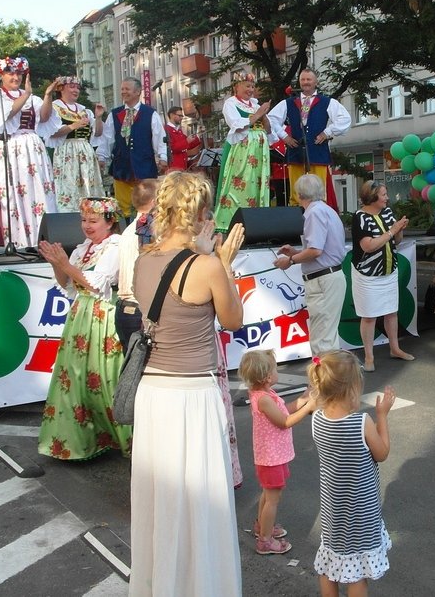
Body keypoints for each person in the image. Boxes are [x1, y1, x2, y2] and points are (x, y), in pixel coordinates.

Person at [128, 171, 246, 596]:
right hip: (192, 395)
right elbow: (233, 320)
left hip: (153, 394)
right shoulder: (208, 265)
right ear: (199, 213)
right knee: (202, 506)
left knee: (160, 505)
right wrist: (224, 263)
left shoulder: (143, 260)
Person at [36, 197, 131, 461]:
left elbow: (95, 284)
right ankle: (80, 442)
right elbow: (69, 286)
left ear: (110, 222)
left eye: (93, 221)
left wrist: (65, 264)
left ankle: (121, 437)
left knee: (104, 377)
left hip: (104, 314)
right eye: (83, 220)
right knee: (75, 379)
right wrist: (58, 264)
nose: (87, 226)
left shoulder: (116, 245)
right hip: (81, 314)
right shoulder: (85, 247)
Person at [308, 350, 395, 597]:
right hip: (361, 515)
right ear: (351, 390)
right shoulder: (361, 423)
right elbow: (382, 453)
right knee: (357, 574)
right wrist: (382, 415)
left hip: (333, 512)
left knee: (330, 563)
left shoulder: (316, 419)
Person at [241, 349, 314, 556]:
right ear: (266, 377)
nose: (277, 370)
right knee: (273, 498)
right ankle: (265, 540)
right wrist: (311, 406)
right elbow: (284, 422)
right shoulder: (264, 399)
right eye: (274, 368)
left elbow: (285, 409)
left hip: (273, 455)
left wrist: (304, 398)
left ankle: (262, 526)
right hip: (270, 457)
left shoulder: (266, 394)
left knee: (268, 493)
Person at [0, 56, 57, 249]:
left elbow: (44, 117)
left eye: (18, 73)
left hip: (32, 145)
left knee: (38, 189)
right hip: (11, 144)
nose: (15, 77)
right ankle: (18, 239)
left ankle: (40, 238)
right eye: (10, 73)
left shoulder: (33, 98)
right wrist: (25, 95)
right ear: (0, 75)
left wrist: (48, 96)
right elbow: (6, 114)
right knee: (14, 189)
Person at [274, 173, 348, 356]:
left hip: (322, 280)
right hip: (329, 275)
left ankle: (325, 382)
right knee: (327, 336)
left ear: (299, 194)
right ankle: (331, 380)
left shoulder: (314, 213)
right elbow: (319, 251)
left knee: (322, 339)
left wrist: (290, 260)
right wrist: (297, 253)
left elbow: (316, 251)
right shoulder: (326, 210)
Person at [351, 180, 414, 372]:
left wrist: (399, 231)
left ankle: (395, 348)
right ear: (372, 197)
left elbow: (396, 240)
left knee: (391, 312)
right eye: (384, 194)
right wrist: (392, 231)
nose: (387, 198)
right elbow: (368, 246)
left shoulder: (387, 213)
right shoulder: (359, 217)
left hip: (388, 271)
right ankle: (369, 356)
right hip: (368, 274)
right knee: (369, 317)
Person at [267, 68, 352, 207]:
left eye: (309, 79)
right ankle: (297, 221)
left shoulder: (327, 102)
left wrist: (327, 132)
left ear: (315, 82)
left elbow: (345, 119)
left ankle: (318, 216)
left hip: (318, 151)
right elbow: (271, 119)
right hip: (295, 151)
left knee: (319, 191)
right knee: (295, 192)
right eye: (303, 80)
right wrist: (284, 136)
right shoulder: (289, 102)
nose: (305, 82)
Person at [97, 77, 167, 221]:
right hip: (121, 166)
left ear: (137, 92)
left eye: (127, 89)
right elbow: (107, 138)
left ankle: (146, 235)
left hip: (144, 166)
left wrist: (163, 156)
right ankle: (126, 234)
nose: (123, 92)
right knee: (123, 206)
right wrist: (102, 156)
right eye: (122, 89)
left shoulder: (150, 114)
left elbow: (159, 137)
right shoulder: (115, 114)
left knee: (147, 203)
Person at [214, 72, 273, 232]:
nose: (251, 89)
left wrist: (265, 117)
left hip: (259, 150)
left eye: (253, 86)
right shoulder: (231, 103)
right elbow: (237, 124)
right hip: (243, 150)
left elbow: (268, 130)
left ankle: (258, 220)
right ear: (237, 87)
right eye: (247, 86)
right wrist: (259, 113)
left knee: (257, 183)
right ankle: (232, 221)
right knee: (240, 182)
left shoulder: (254, 104)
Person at [39, 76, 105, 212]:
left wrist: (98, 117)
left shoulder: (84, 110)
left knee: (88, 187)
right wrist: (74, 125)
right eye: (72, 86)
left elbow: (97, 134)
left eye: (77, 87)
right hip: (66, 152)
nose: (76, 90)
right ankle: (68, 216)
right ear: (61, 89)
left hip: (85, 153)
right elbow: (51, 132)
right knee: (69, 187)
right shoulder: (55, 107)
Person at [114, 178, 160, 351]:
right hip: (138, 308)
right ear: (156, 202)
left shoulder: (128, 230)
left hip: (124, 308)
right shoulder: (147, 231)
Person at [164, 105, 202, 171]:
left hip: (182, 166)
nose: (181, 118)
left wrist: (198, 135)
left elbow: (187, 145)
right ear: (172, 115)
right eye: (180, 116)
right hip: (174, 167)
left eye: (182, 116)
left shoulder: (178, 130)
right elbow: (172, 147)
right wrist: (187, 141)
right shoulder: (166, 129)